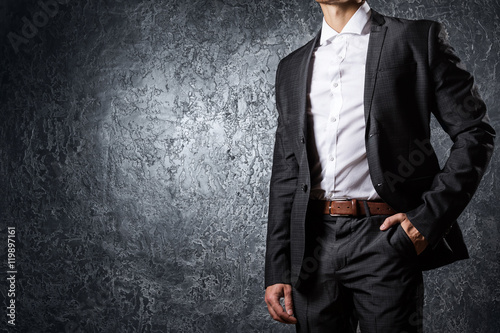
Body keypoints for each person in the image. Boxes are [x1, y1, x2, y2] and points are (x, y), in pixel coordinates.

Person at [264, 0, 495, 332]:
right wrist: (278, 267)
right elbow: (286, 170)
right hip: (311, 247)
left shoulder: (417, 38)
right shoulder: (291, 66)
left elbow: (475, 131)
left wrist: (425, 220)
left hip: (385, 239)